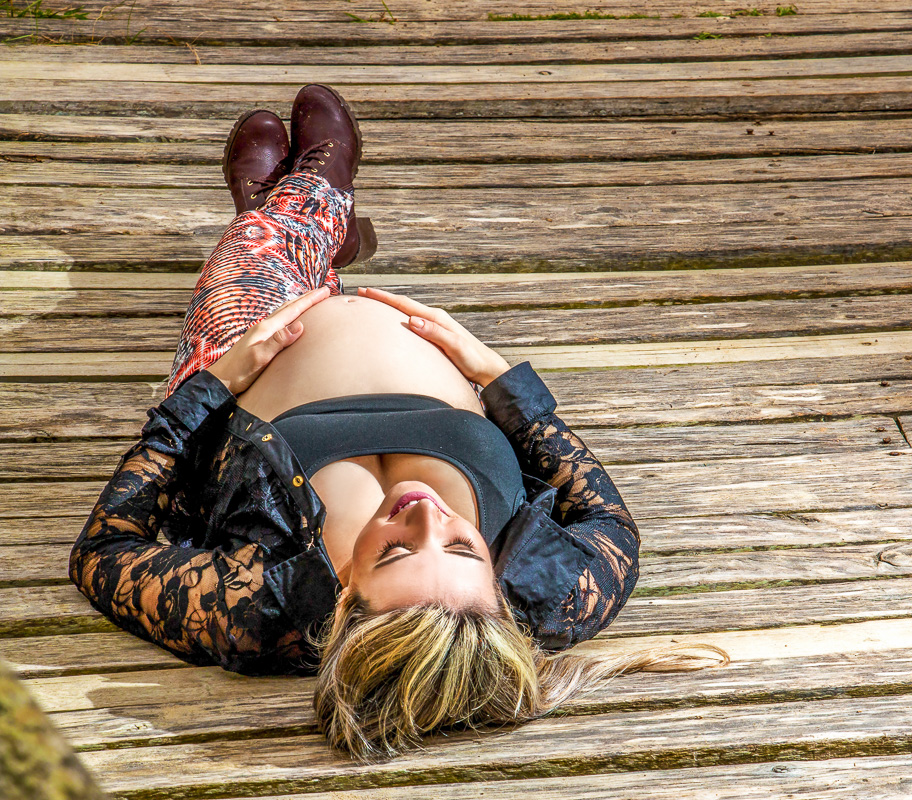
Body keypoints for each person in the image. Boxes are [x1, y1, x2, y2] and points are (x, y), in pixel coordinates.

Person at [69, 84, 726, 761]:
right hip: (391, 337)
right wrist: (503, 382)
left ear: (344, 605)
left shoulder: (259, 611)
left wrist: (209, 388)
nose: (426, 515)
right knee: (271, 241)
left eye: (395, 551)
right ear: (499, 594)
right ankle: (307, 214)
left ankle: (306, 200)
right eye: (464, 548)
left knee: (254, 249)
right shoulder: (551, 594)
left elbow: (102, 552)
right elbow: (610, 524)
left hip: (246, 349)